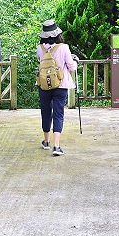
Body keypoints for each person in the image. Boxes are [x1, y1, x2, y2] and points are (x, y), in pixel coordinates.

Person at [37, 19, 78, 156]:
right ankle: (57, 146)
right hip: (61, 84)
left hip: (43, 84)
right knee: (58, 113)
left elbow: (40, 62)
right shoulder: (64, 47)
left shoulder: (40, 48)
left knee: (46, 111)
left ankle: (46, 141)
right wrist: (75, 61)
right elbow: (71, 66)